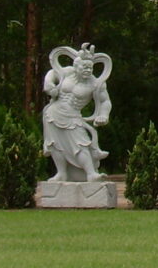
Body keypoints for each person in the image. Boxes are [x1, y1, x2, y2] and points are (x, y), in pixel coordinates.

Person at [42, 43, 112, 182]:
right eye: (84, 67)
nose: (88, 70)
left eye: (90, 67)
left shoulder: (96, 84)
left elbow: (105, 102)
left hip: (73, 116)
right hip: (53, 113)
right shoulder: (67, 72)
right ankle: (61, 173)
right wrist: (49, 84)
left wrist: (104, 115)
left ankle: (91, 174)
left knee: (81, 144)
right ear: (76, 66)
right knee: (55, 144)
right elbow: (52, 73)